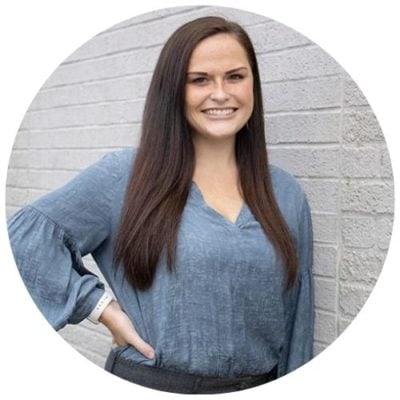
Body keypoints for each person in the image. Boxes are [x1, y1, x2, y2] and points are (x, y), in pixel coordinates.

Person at [7, 16, 314, 394]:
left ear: (254, 84)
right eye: (199, 79)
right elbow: (23, 240)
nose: (220, 93)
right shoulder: (126, 176)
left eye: (235, 76)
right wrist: (102, 308)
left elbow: (297, 317)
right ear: (173, 90)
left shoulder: (285, 193)